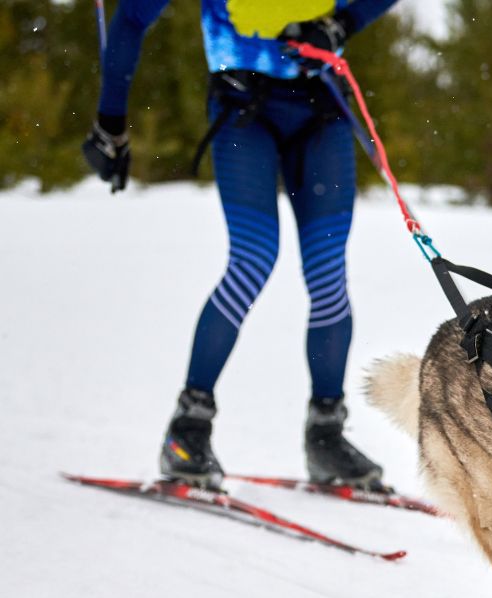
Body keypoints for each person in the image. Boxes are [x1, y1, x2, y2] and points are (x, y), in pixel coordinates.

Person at [82, 0, 401, 490]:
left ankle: (325, 434)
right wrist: (110, 121)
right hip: (243, 107)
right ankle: (188, 427)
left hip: (321, 107)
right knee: (253, 258)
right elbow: (132, 17)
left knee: (328, 274)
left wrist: (344, 22)